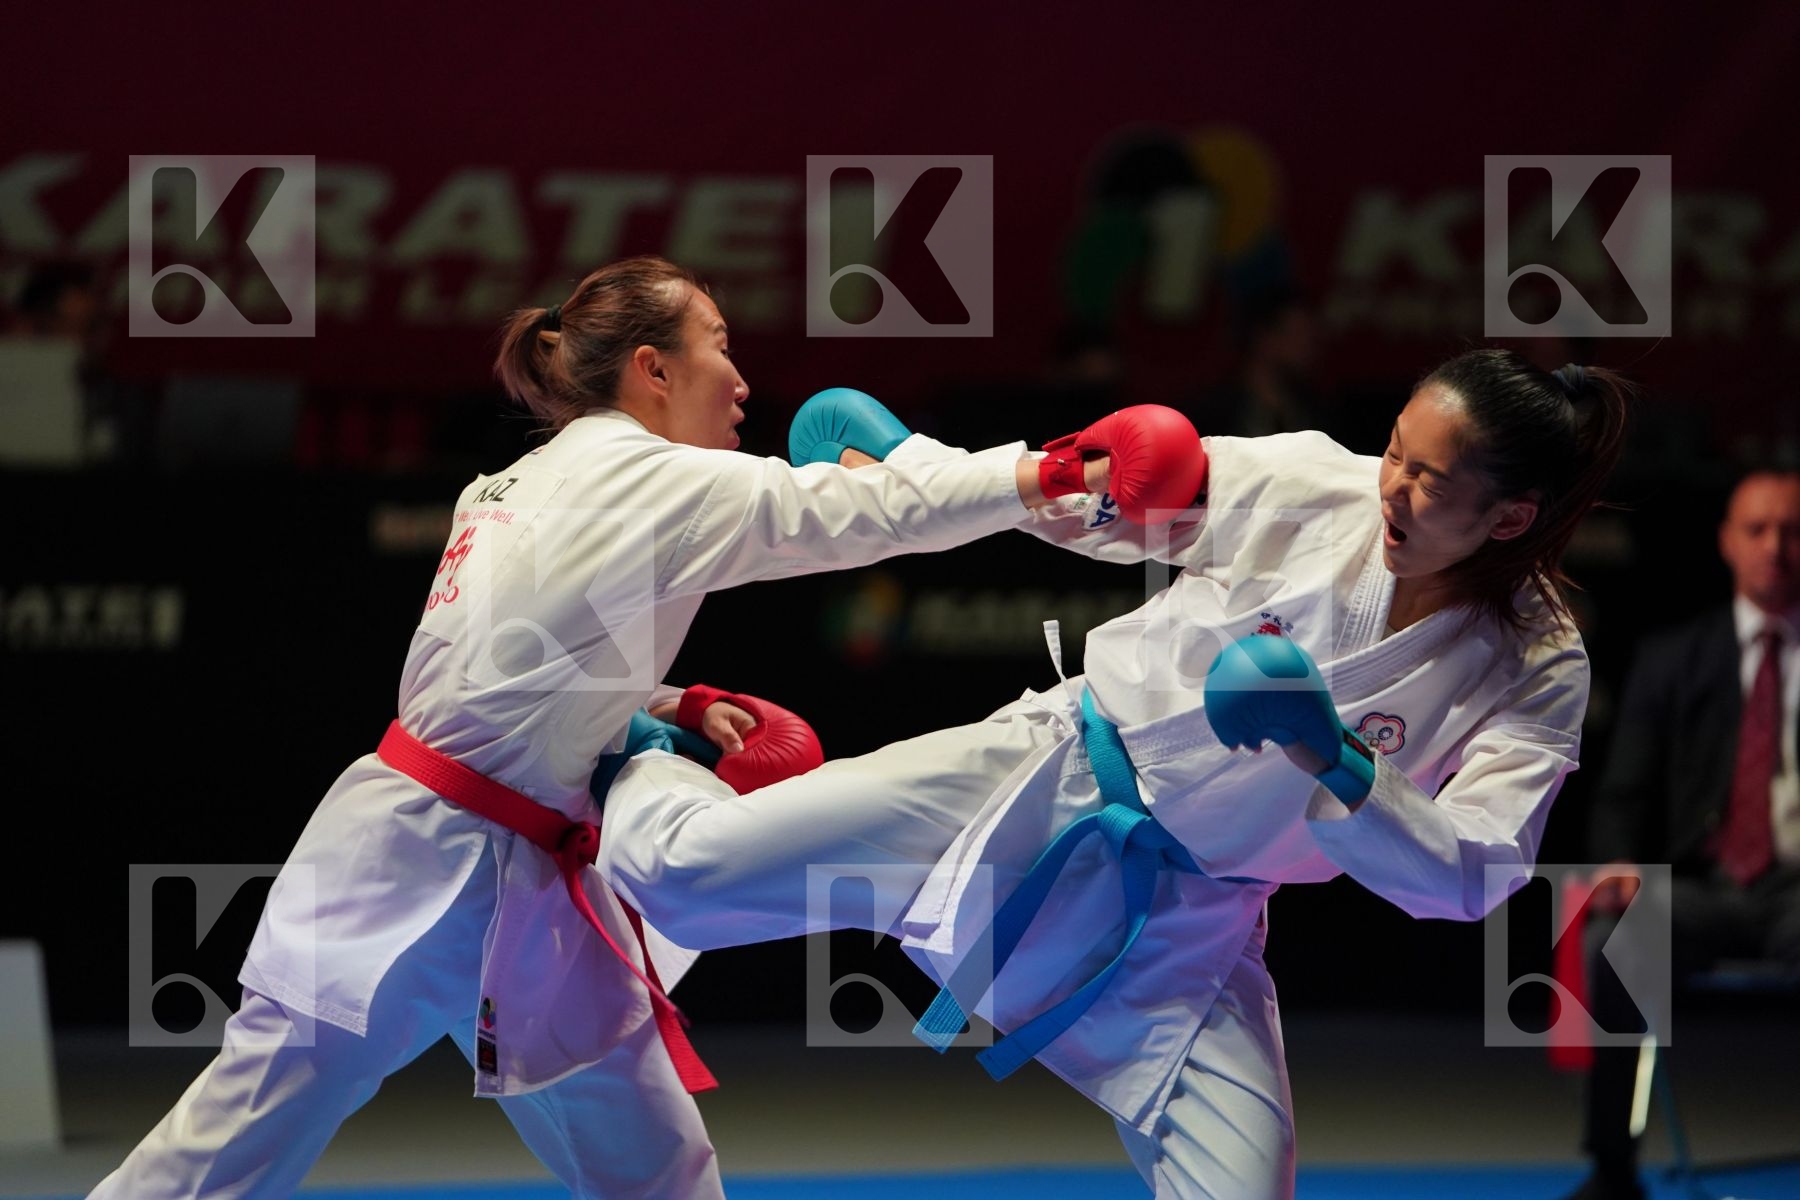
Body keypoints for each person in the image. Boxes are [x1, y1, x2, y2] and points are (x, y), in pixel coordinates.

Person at [89, 254, 1199, 1199]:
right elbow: (863, 510)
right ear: (653, 369)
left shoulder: (505, 486)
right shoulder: (658, 480)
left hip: (502, 878)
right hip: (419, 860)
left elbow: (509, 667)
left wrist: (666, 706)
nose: (744, 376)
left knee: (636, 1175)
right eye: (720, 343)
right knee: (231, 1147)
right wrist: (1055, 471)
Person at [597, 348, 1632, 1199]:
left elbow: (1476, 875)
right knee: (688, 874)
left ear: (1510, 517)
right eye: (1395, 453)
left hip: (1189, 924)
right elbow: (1116, 494)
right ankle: (643, 746)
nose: (1390, 488)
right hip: (1042, 780)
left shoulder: (1536, 664)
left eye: (1428, 480)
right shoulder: (1318, 483)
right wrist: (922, 466)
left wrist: (1337, 757)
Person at [1561, 467, 1800, 1200]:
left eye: (1792, 531)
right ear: (1728, 543)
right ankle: (1612, 1168)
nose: (1776, 547)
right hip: (1704, 887)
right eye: (1757, 530)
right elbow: (1620, 793)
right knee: (1614, 942)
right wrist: (1620, 862)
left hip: (1799, 893)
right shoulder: (1674, 658)